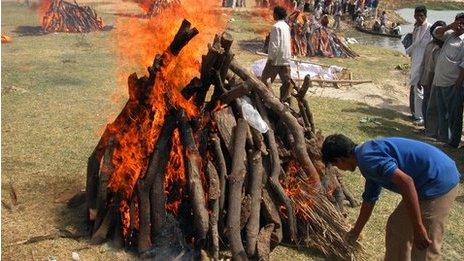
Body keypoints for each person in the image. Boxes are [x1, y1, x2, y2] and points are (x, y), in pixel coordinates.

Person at [321, 134, 460, 260]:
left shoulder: (367, 159)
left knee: (425, 244)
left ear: (340, 159)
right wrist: (355, 232)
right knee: (398, 228)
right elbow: (369, 200)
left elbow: (407, 182)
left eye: (335, 165)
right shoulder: (365, 156)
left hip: (438, 180)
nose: (338, 168)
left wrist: (418, 227)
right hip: (427, 180)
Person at [430, 13, 464, 148]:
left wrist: (458, 82)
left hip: (452, 82)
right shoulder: (449, 35)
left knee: (454, 114)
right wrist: (449, 26)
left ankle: (454, 142)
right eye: (458, 23)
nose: (460, 26)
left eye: (463, 23)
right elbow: (435, 33)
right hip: (439, 80)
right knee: (442, 111)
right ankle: (444, 139)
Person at [417, 21, 446, 138]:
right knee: (426, 103)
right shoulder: (430, 45)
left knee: (434, 107)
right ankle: (427, 127)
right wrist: (419, 78)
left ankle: (436, 131)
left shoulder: (443, 47)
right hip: (426, 78)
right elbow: (424, 63)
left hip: (437, 80)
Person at [405, 6, 432, 126]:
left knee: (420, 91)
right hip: (415, 62)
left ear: (425, 16)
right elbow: (415, 45)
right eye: (417, 16)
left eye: (421, 16)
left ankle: (421, 117)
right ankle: (416, 115)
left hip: (425, 64)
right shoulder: (416, 28)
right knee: (416, 89)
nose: (419, 18)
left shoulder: (430, 28)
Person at [261, 6, 294, 102]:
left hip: (275, 60)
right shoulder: (286, 26)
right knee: (287, 83)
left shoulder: (276, 27)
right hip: (285, 59)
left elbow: (275, 45)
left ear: (276, 14)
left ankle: (266, 102)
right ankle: (285, 102)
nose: (272, 15)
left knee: (264, 82)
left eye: (273, 13)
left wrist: (271, 58)